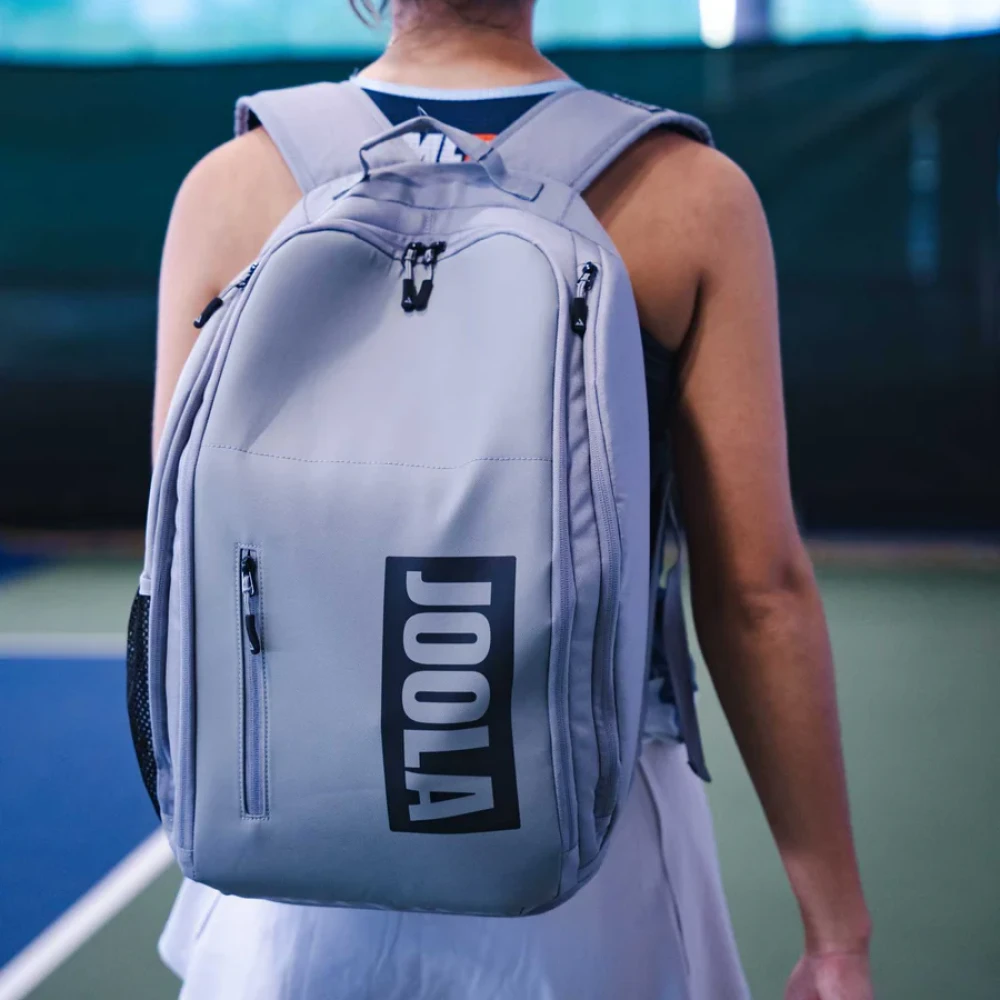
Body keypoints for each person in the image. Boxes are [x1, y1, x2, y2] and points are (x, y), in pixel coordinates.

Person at [154, 2, 873, 998]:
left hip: (285, 852)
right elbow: (756, 593)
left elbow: (180, 562)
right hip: (580, 850)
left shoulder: (232, 186)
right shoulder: (685, 192)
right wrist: (835, 933)